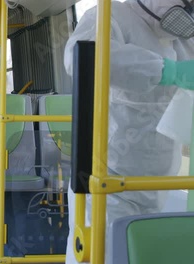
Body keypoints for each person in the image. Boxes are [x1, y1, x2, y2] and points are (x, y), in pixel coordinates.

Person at [63, 0, 194, 263]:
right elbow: (82, 57)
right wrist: (167, 71)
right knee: (109, 255)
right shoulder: (110, 16)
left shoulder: (184, 40)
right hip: (107, 180)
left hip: (159, 184)